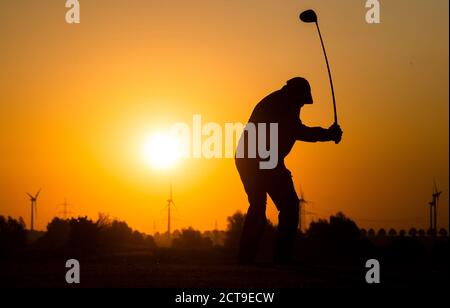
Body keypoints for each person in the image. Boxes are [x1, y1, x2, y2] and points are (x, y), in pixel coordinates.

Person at [235, 77, 343, 265]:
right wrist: (328, 134)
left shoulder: (284, 102)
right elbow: (298, 131)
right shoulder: (280, 104)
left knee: (271, 207)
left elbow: (294, 130)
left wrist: (327, 134)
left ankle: (254, 258)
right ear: (296, 95)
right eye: (302, 101)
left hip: (262, 160)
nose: (302, 105)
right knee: (278, 207)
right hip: (255, 160)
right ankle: (273, 258)